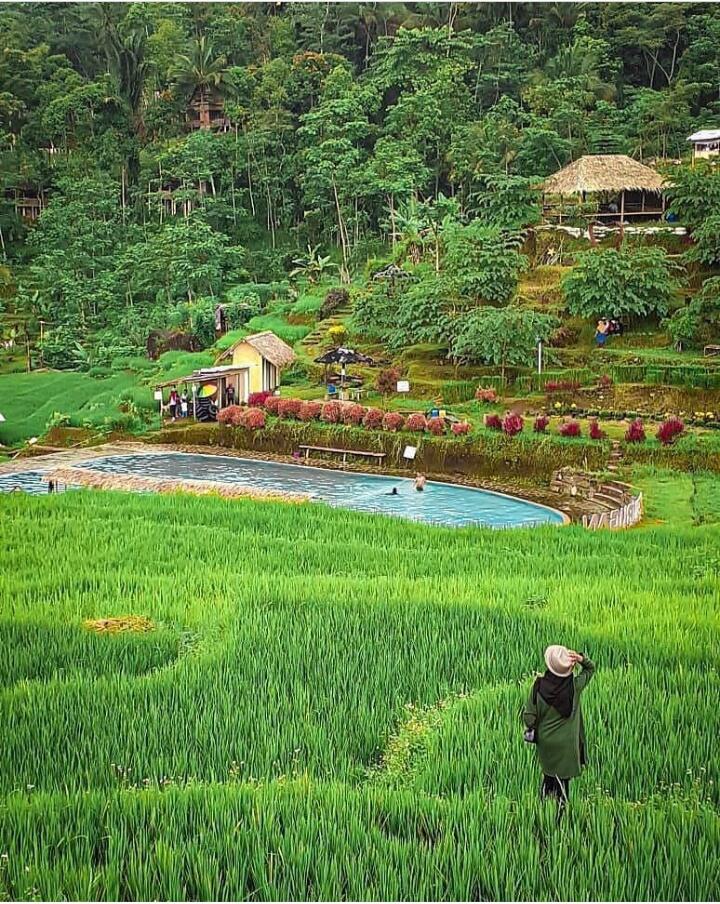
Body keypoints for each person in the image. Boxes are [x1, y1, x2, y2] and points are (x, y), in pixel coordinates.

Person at [523, 645, 595, 809]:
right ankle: (560, 818)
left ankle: (540, 810)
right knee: (563, 783)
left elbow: (529, 717)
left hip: (546, 742)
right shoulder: (575, 687)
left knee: (548, 777)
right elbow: (590, 669)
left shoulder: (538, 686)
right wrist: (581, 659)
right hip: (567, 746)